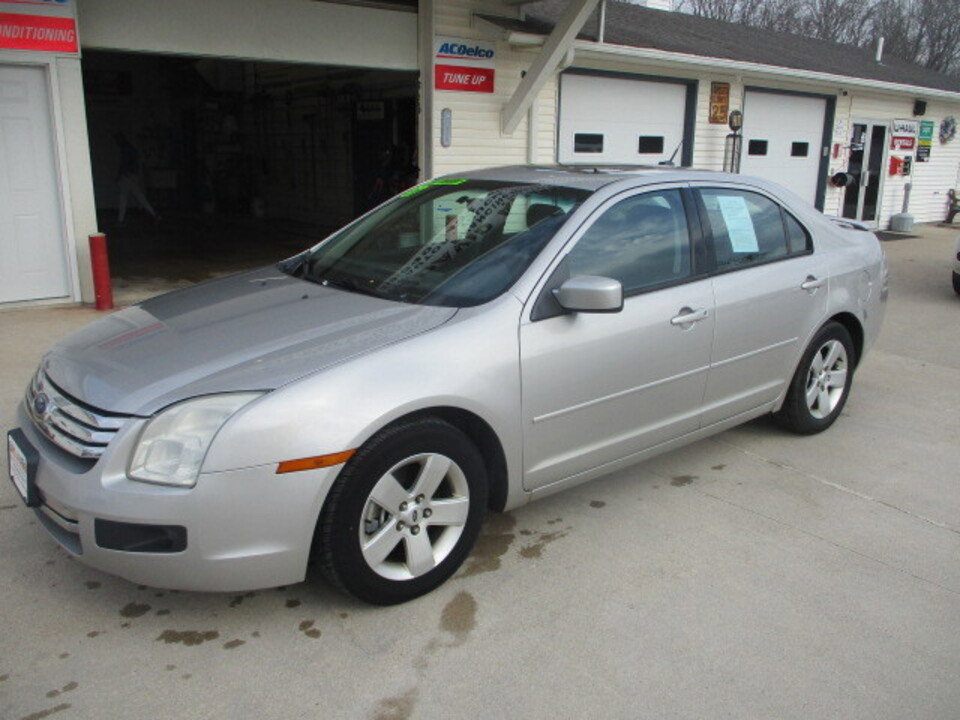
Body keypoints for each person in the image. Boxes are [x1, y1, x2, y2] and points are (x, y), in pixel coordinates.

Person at [114, 132, 159, 224]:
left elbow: (124, 164)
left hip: (127, 176)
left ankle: (120, 220)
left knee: (125, 198)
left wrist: (119, 175)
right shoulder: (131, 148)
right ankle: (154, 214)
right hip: (132, 175)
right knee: (138, 196)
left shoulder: (126, 149)